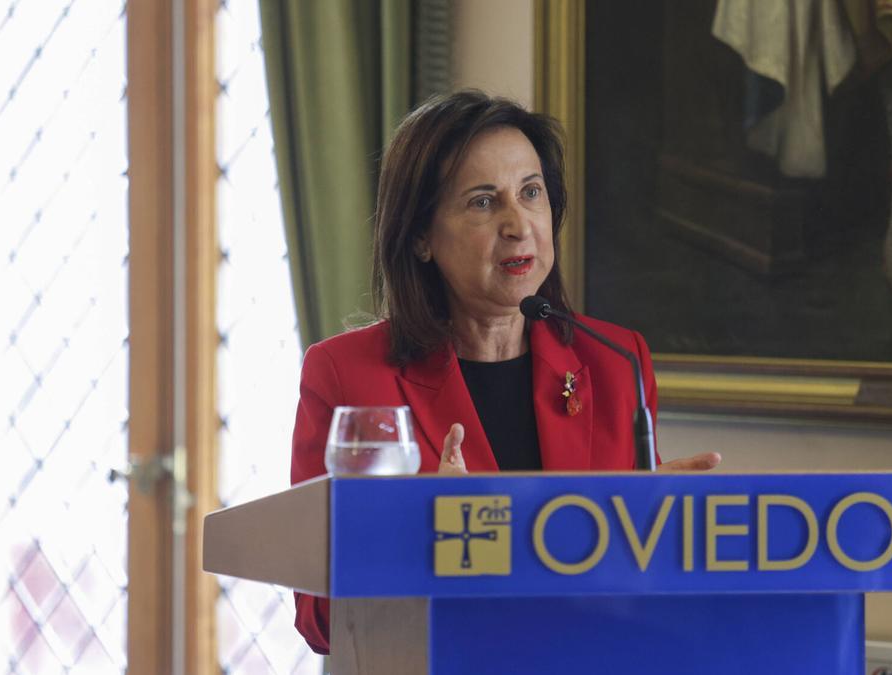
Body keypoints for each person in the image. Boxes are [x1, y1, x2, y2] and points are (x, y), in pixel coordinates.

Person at [288, 90, 721, 655]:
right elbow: (319, 618)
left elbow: (629, 580)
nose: (519, 225)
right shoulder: (347, 375)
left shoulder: (615, 361)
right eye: (483, 202)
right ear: (421, 237)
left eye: (531, 193)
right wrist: (424, 535)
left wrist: (664, 532)